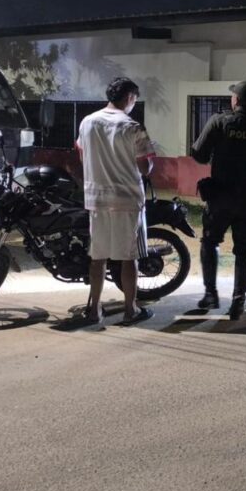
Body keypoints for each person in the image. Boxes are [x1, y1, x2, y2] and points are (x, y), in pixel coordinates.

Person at [190, 80, 246, 320]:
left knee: (210, 241)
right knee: (244, 249)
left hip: (222, 196)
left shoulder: (220, 121)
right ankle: (238, 302)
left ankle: (211, 294)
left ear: (236, 100)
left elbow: (199, 154)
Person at [75, 76, 155, 326]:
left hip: (96, 199)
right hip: (127, 199)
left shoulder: (87, 122)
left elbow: (82, 155)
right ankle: (130, 310)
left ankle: (94, 310)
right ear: (130, 97)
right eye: (135, 100)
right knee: (128, 257)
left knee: (97, 257)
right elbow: (145, 167)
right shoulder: (132, 127)